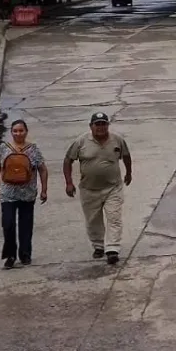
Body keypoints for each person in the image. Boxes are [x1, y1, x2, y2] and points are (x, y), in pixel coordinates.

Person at [63, 112, 132, 265]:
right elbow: (68, 160)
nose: (101, 127)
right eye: (97, 124)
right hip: (89, 189)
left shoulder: (117, 140)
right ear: (91, 126)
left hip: (113, 187)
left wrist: (129, 173)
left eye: (103, 124)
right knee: (93, 220)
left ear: (108, 125)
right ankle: (99, 246)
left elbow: (126, 156)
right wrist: (68, 182)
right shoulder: (81, 141)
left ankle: (112, 249)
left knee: (114, 217)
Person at [0, 120, 47, 269]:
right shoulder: (4, 148)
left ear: (26, 132)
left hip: (27, 194)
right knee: (8, 224)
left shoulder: (33, 149)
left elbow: (42, 169)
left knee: (26, 225)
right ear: (11, 132)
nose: (18, 133)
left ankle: (25, 254)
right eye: (15, 131)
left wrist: (44, 189)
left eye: (21, 130)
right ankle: (10, 255)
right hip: (7, 194)